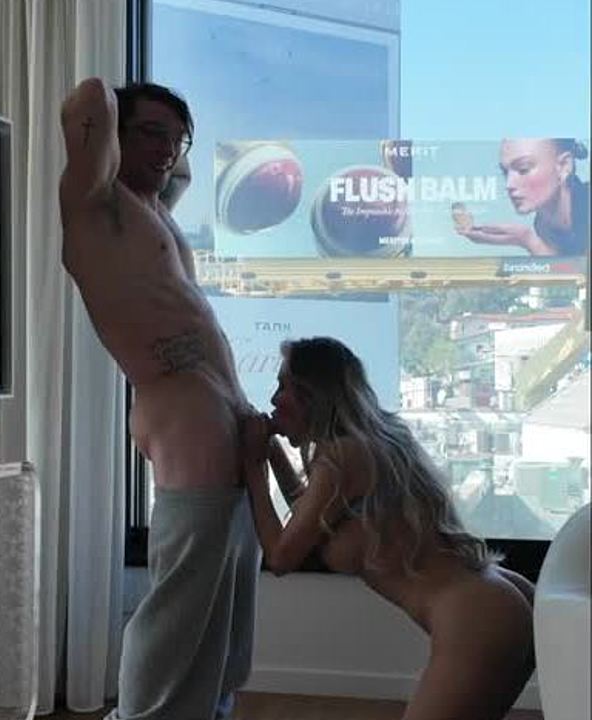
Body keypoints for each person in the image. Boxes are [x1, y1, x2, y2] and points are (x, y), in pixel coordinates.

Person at [60, 77, 261, 720]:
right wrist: (118, 115)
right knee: (185, 592)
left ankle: (210, 708)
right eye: (151, 134)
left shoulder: (158, 211)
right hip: (180, 407)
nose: (167, 150)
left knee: (228, 582)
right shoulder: (96, 204)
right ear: (115, 138)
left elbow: (178, 168)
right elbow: (88, 99)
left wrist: (165, 135)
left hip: (220, 405)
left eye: (177, 140)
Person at [241, 337, 535, 720]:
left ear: (313, 395)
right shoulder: (369, 441)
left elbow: (282, 556)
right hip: (496, 598)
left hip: (477, 617)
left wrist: (252, 468)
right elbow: (311, 514)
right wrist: (273, 454)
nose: (274, 399)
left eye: (284, 386)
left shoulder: (341, 458)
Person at [457, 138, 590, 256]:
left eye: (523, 169)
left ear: (564, 165)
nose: (509, 185)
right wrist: (525, 239)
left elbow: (581, 272)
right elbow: (561, 270)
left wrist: (528, 240)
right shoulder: (542, 223)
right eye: (505, 172)